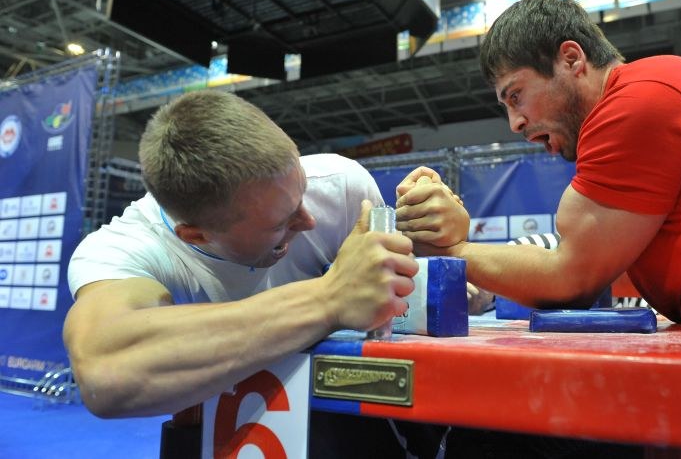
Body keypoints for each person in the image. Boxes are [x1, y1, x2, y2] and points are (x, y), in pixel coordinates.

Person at [396, 0, 681, 457]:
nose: (514, 122)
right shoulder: (665, 81)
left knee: (486, 441)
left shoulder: (638, 104)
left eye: (516, 94)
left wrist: (453, 249)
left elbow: (570, 279)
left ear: (571, 59)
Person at [63, 89, 457, 458]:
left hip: (356, 426)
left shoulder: (340, 186)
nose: (308, 220)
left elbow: (409, 300)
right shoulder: (126, 248)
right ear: (196, 234)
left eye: (301, 194)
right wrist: (329, 298)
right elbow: (106, 369)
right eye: (282, 222)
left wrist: (447, 247)